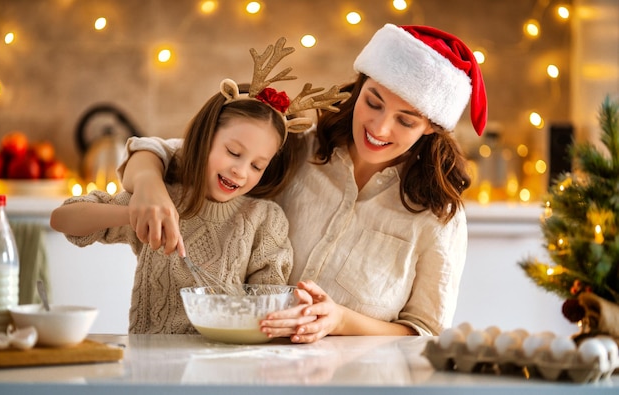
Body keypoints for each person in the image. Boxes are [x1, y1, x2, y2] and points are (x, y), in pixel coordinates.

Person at [116, 24, 488, 342]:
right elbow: (161, 151)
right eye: (372, 102)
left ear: (431, 128)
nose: (380, 127)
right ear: (358, 88)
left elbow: (424, 332)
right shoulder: (294, 149)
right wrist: (148, 184)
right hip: (245, 364)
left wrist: (341, 321)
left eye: (406, 121)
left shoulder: (438, 215)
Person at [50, 37, 349, 334]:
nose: (240, 171)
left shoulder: (264, 220)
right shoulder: (165, 199)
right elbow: (62, 219)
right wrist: (136, 213)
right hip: (153, 361)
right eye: (233, 152)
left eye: (257, 165)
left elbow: (268, 307)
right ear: (206, 137)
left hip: (227, 365)